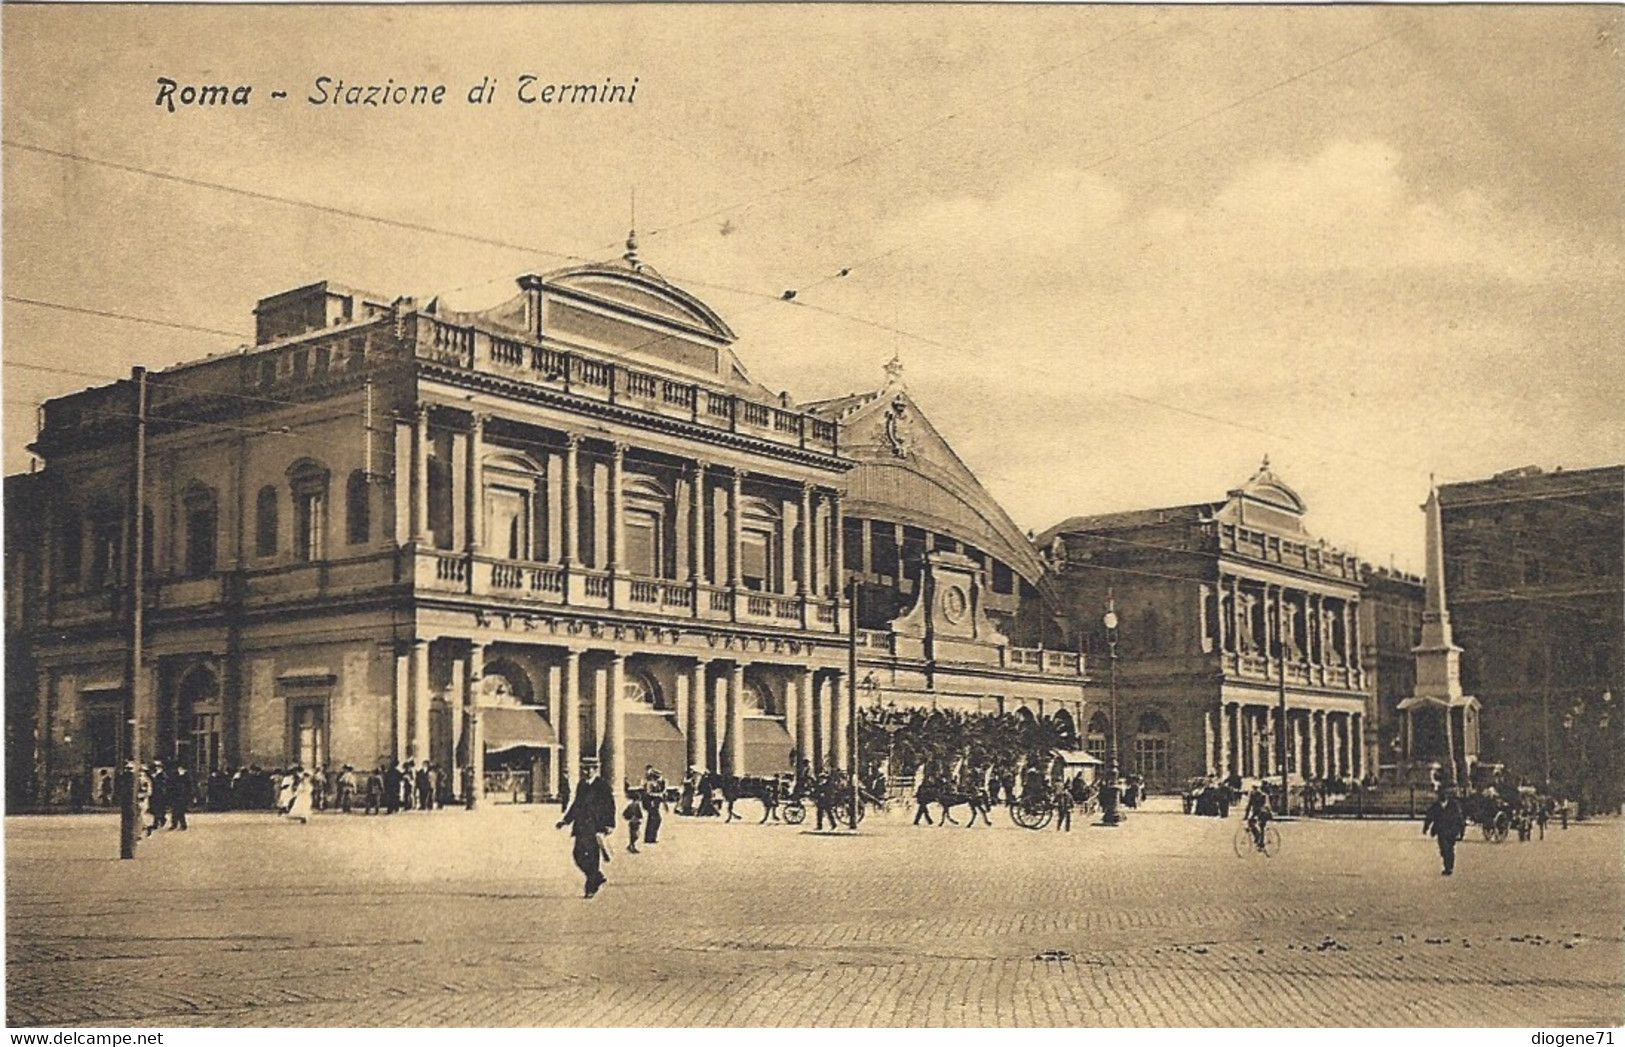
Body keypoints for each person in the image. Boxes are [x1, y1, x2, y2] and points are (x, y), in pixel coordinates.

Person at [557, 759, 616, 898]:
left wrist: (610, 824)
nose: (588, 772)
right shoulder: (582, 785)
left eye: (591, 769)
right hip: (581, 826)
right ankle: (597, 876)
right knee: (578, 855)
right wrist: (565, 820)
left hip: (596, 827)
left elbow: (610, 806)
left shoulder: (603, 785)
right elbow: (576, 804)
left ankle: (590, 888)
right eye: (585, 769)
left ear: (596, 769)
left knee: (593, 858)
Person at [1422, 787, 1467, 876]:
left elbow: (1459, 818)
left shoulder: (1453, 805)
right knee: (1443, 849)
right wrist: (1426, 827)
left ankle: (1449, 867)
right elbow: (1429, 817)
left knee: (1449, 848)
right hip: (1441, 830)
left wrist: (1461, 832)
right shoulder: (1436, 806)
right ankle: (1447, 865)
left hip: (1451, 830)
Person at [1243, 784, 1273, 851]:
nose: (1254, 790)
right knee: (1250, 823)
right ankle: (1257, 836)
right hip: (1256, 812)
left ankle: (1261, 843)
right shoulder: (1252, 795)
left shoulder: (1263, 795)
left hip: (1263, 812)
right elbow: (1249, 805)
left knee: (1261, 825)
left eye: (1256, 788)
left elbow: (1265, 805)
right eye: (1253, 788)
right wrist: (1246, 816)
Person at [642, 766, 666, 844]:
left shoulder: (657, 783)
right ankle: (650, 837)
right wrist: (658, 795)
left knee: (654, 820)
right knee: (655, 819)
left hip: (655, 804)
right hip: (651, 803)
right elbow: (648, 793)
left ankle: (652, 837)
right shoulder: (649, 783)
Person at [168, 764, 192, 831]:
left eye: (181, 769)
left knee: (181, 811)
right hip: (175, 795)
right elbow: (172, 784)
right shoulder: (175, 776)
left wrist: (189, 796)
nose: (180, 770)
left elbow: (189, 787)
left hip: (183, 796)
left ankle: (183, 825)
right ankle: (174, 824)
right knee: (174, 811)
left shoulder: (187, 777)